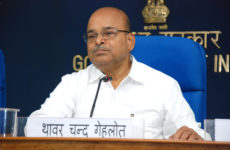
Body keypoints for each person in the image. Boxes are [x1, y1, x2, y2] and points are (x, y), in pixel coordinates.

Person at [28, 7, 209, 140]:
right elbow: (34, 126)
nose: (99, 40)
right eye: (91, 36)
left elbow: (196, 137)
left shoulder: (162, 85)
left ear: (130, 41)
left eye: (109, 33)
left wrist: (192, 137)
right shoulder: (72, 84)